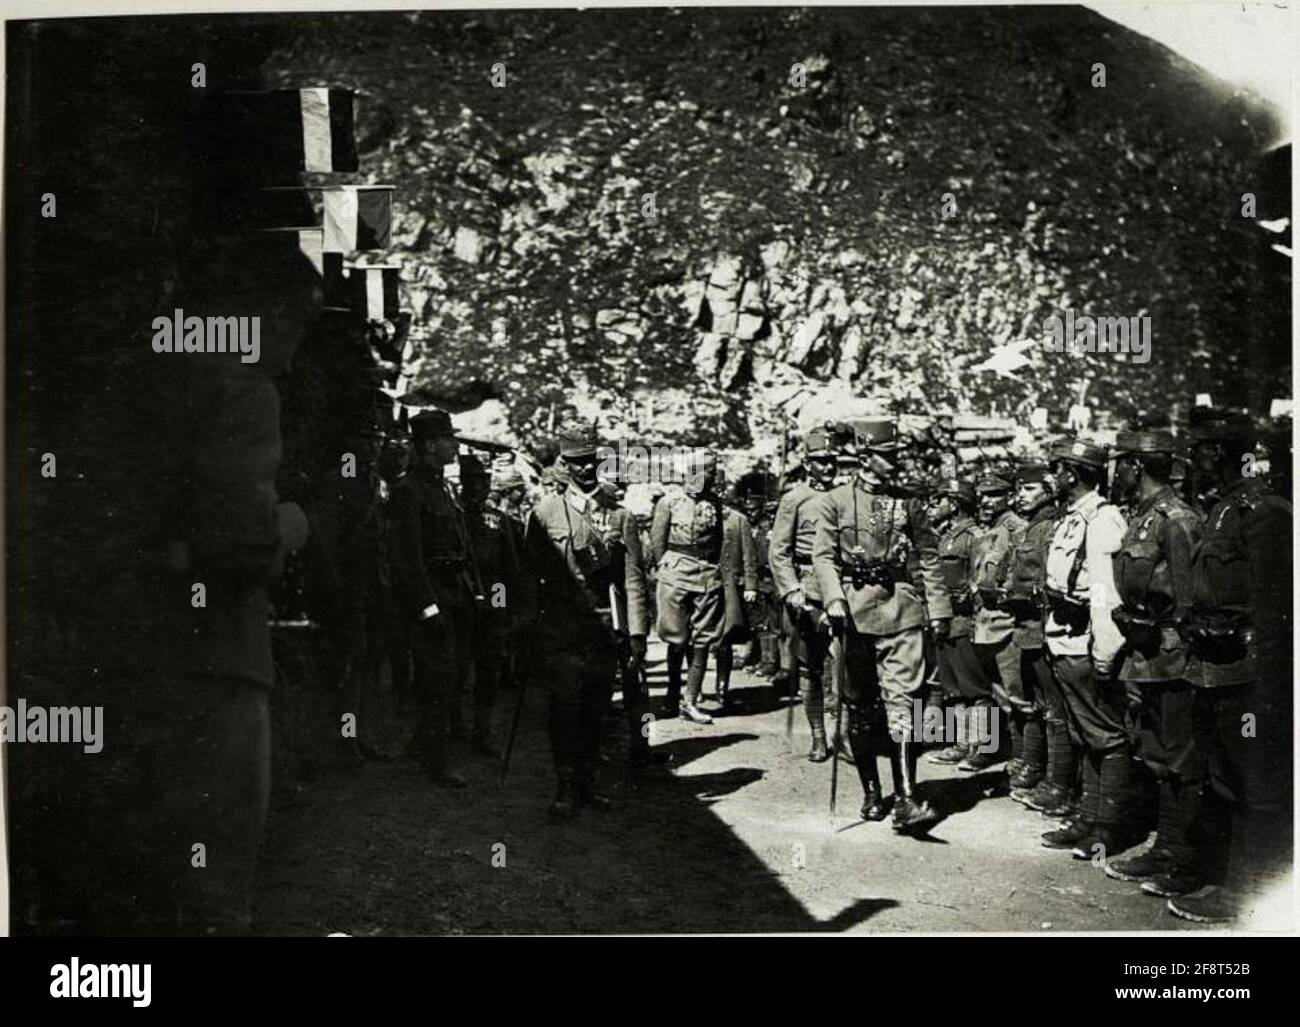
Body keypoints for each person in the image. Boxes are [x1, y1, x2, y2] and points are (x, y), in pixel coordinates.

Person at [1168, 412, 1293, 923]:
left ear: (1215, 452)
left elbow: (1275, 607)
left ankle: (1251, 894)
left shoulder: (1264, 512)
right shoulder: (1223, 509)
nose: (1191, 459)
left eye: (1197, 450)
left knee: (1256, 785)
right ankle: (1222, 878)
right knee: (1223, 777)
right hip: (1216, 672)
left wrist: (1271, 690)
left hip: (1251, 678)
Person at [812, 418, 952, 834]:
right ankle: (872, 790)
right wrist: (833, 598)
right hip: (852, 611)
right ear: (863, 457)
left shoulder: (909, 501)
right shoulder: (835, 500)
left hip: (899, 608)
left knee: (903, 703)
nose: (895, 463)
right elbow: (823, 557)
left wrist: (939, 607)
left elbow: (928, 555)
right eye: (887, 456)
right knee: (859, 703)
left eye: (896, 455)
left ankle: (907, 798)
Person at [1101, 430, 1205, 894]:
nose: (1116, 472)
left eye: (1120, 463)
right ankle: (1166, 846)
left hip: (1172, 656)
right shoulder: (1141, 517)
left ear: (1135, 466)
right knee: (1157, 753)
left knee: (1179, 757)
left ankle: (1180, 856)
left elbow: (1190, 602)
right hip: (1145, 653)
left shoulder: (1175, 519)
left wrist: (1174, 650)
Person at [1038, 439, 1136, 860]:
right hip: (1062, 640)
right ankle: (1087, 815)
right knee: (1082, 735)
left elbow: (1105, 593)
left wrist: (1104, 654)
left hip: (1085, 643)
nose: (1052, 477)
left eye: (1057, 469)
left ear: (1072, 474)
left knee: (1107, 739)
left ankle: (1106, 830)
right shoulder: (1072, 519)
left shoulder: (1101, 521)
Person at [389, 408, 475, 788]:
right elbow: (406, 558)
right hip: (429, 600)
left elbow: (461, 544)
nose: (454, 445)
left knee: (449, 675)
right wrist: (427, 606)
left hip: (453, 593)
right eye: (448, 439)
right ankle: (436, 762)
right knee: (437, 679)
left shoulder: (443, 487)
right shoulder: (408, 492)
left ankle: (424, 746)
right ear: (428, 445)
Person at [769, 425, 843, 760]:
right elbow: (778, 552)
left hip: (840, 588)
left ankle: (842, 732)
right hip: (807, 589)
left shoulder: (846, 495)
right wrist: (791, 590)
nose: (828, 467)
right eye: (820, 461)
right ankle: (817, 736)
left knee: (844, 664)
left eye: (832, 460)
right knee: (810, 666)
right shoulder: (794, 499)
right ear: (807, 462)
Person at [1004, 461, 1071, 813]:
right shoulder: (1034, 527)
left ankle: (1059, 784)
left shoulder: (1049, 528)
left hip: (1044, 627)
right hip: (1028, 628)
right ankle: (1042, 772)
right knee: (1039, 705)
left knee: (1055, 710)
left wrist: (1019, 598)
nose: (1021, 494)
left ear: (1049, 490)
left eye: (1029, 489)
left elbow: (1049, 582)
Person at [650, 450, 730, 724]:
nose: (710, 476)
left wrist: (709, 566)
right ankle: (672, 693)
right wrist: (666, 569)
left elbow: (717, 540)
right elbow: (657, 542)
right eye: (706, 471)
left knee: (703, 639)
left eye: (711, 471)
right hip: (675, 571)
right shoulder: (669, 502)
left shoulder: (715, 502)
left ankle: (690, 700)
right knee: (676, 636)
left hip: (706, 573)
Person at [460, 453, 522, 759]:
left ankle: (481, 733)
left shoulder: (498, 520)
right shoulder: (453, 513)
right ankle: (455, 730)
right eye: (471, 481)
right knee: (457, 671)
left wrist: (499, 608)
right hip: (459, 602)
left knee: (488, 672)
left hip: (491, 605)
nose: (477, 487)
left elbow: (508, 568)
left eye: (483, 481)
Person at [925, 478, 987, 765]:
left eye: (939, 500)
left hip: (964, 621)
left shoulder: (975, 536)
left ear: (954, 504)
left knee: (975, 687)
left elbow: (979, 581)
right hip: (944, 619)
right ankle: (961, 743)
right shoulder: (945, 535)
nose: (934, 506)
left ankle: (985, 747)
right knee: (953, 688)